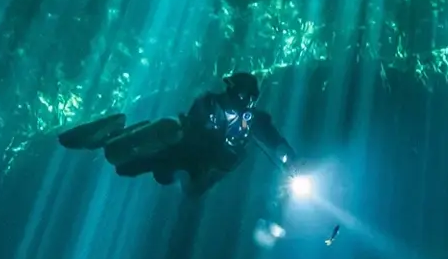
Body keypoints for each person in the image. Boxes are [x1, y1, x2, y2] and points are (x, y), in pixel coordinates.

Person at [58, 72, 301, 195]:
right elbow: (194, 121)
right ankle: (106, 136)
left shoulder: (251, 120)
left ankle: (107, 137)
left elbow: (272, 138)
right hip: (179, 148)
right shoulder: (210, 102)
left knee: (132, 167)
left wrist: (288, 158)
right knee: (126, 163)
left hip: (196, 164)